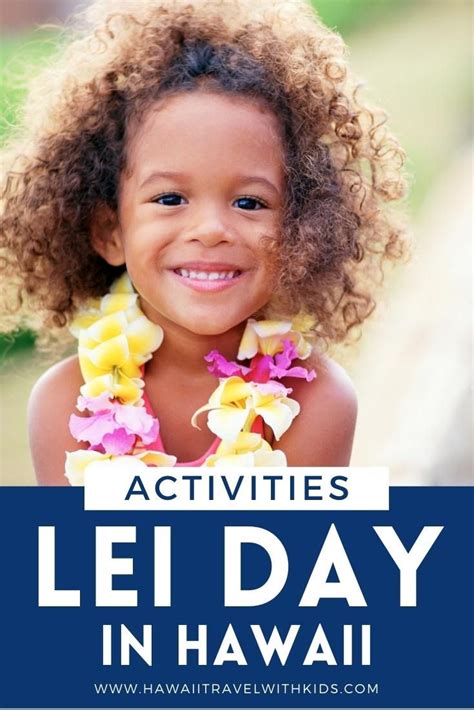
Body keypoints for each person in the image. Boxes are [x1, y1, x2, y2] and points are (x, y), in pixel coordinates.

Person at [0, 0, 408, 484]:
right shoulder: (64, 404)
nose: (211, 229)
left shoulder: (316, 402)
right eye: (170, 198)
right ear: (110, 232)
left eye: (250, 203)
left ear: (301, 229)